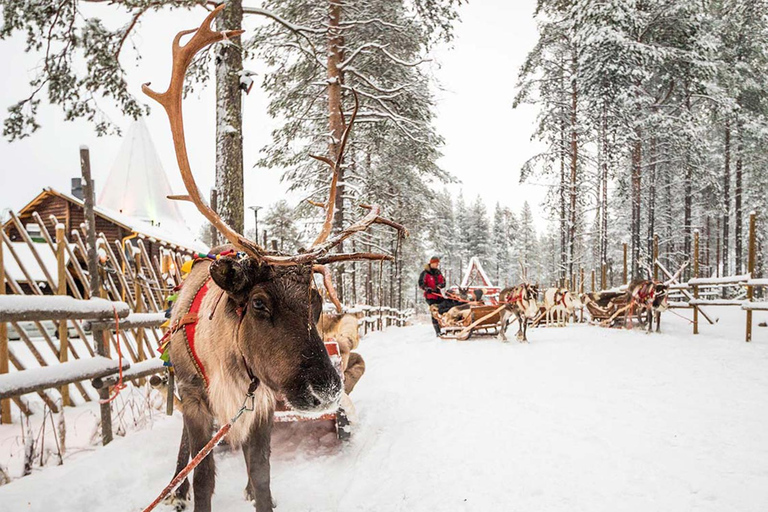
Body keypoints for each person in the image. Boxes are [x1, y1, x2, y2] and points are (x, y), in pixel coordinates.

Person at [419, 256, 448, 336]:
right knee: (435, 312)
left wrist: (441, 285)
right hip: (430, 296)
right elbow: (421, 284)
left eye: (438, 263)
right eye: (436, 263)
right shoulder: (425, 273)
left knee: (444, 309)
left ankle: (445, 327)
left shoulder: (438, 272)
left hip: (438, 295)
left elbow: (443, 281)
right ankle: (438, 331)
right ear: (431, 263)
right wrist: (426, 288)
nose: (437, 265)